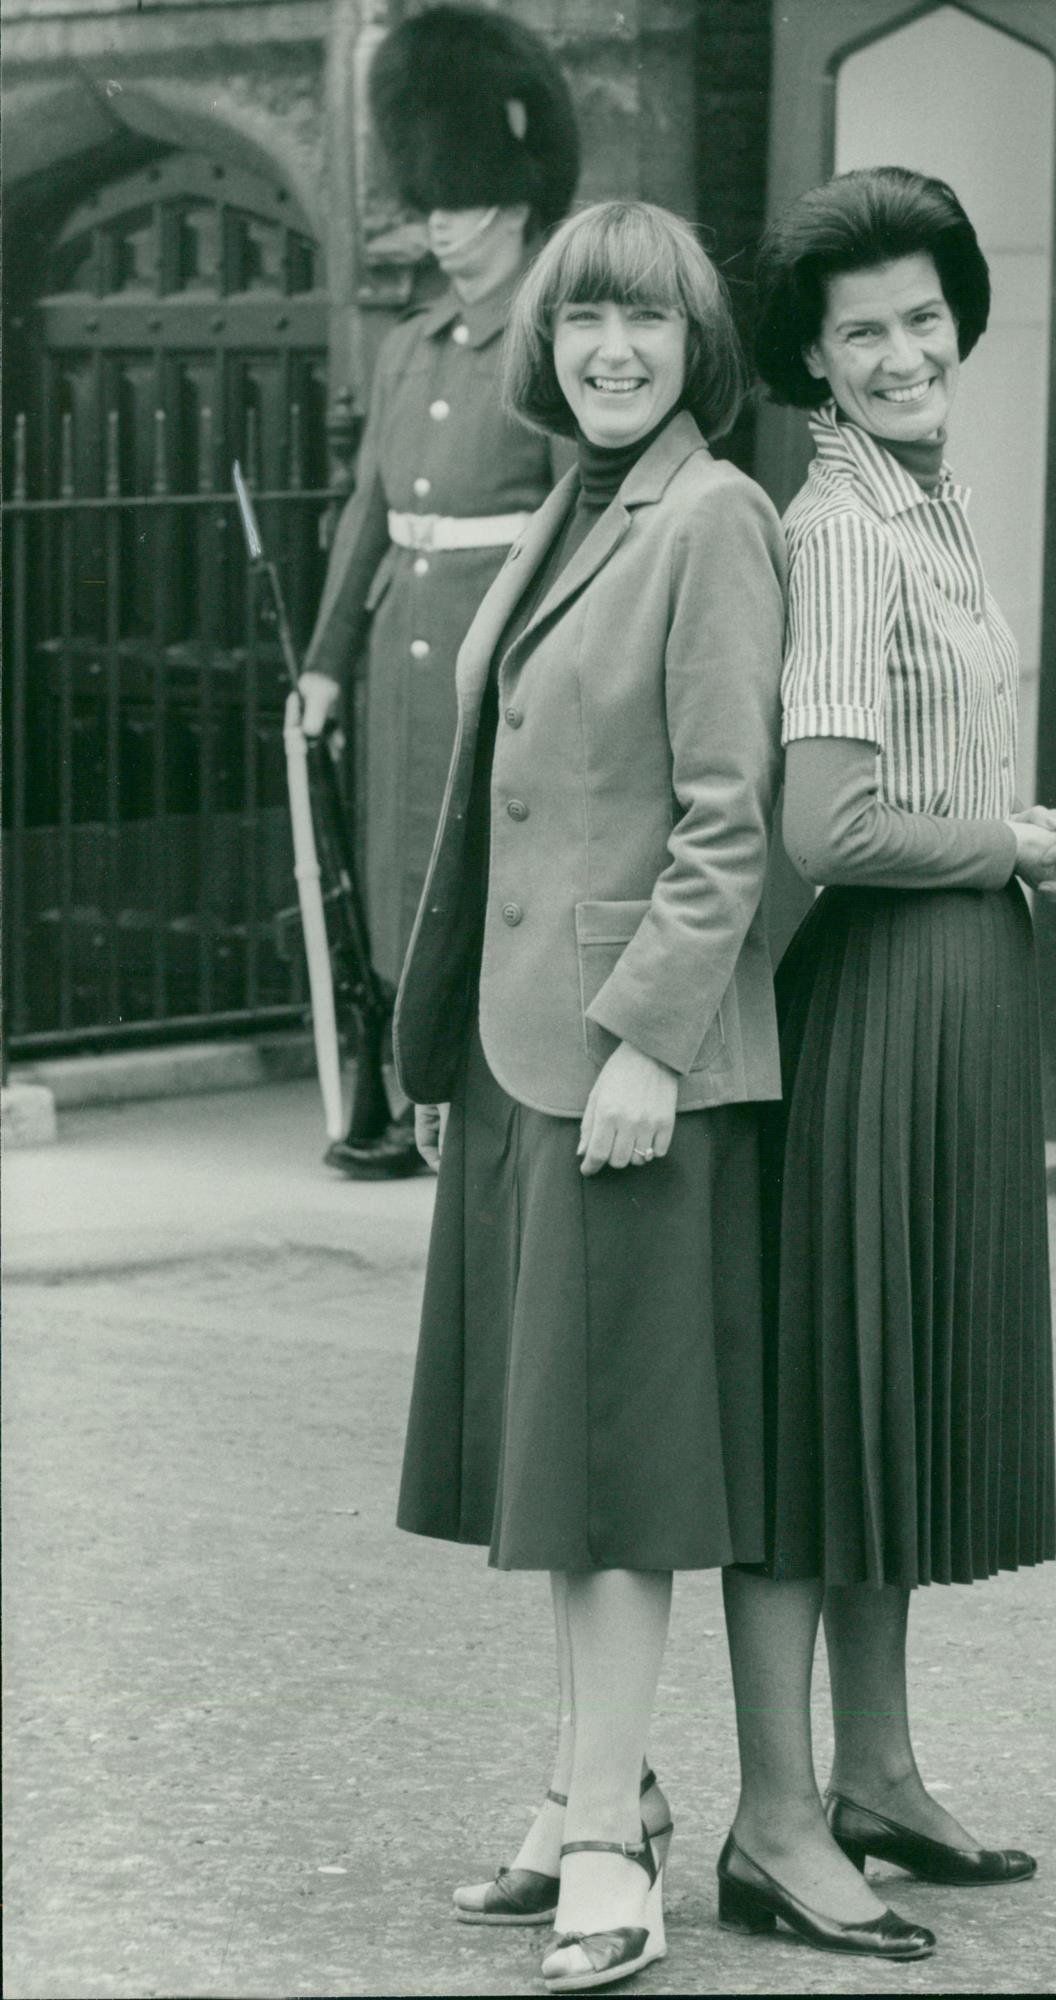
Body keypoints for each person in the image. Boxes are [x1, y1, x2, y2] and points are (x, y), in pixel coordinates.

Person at [715, 166, 1056, 1958]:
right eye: (858, 328)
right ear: (813, 354)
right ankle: (775, 1815)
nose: (899, 348)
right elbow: (828, 819)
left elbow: (920, 787)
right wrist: (1005, 846)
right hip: (882, 999)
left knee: (892, 1395)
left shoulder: (927, 507)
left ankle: (875, 1771)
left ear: (960, 316)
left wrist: (1019, 827)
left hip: (956, 991)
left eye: (919, 315)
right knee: (828, 1413)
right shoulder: (850, 528)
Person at [392, 200, 787, 1993]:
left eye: (643, 324)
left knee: (618, 1476)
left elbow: (732, 817)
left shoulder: (715, 516)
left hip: (628, 1075)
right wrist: (441, 1051)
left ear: (695, 345)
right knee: (561, 1468)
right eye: (580, 326)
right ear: (545, 347)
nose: (608, 351)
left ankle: (614, 1850)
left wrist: (646, 1040)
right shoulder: (580, 500)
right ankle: (581, 1784)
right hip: (518, 1060)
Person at [297, 4, 578, 1176]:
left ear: (513, 204)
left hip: (492, 638)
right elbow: (370, 509)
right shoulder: (410, 343)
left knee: (480, 861)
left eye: (458, 204)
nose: (440, 226)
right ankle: (399, 1075)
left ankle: (467, 1086)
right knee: (397, 858)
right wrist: (321, 660)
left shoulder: (553, 334)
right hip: (405, 636)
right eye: (432, 204)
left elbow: (572, 523)